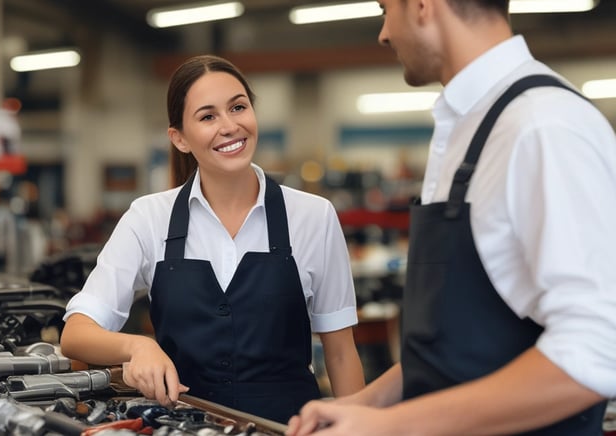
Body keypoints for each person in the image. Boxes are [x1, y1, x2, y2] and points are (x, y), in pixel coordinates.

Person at [287, 0, 616, 434]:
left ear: (424, 6)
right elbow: (463, 347)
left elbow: (595, 351)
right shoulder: (471, 128)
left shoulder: (542, 127)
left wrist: (395, 426)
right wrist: (366, 404)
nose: (384, 33)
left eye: (387, 9)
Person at [60, 54, 365, 424]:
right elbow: (76, 333)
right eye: (207, 116)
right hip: (184, 426)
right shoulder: (149, 218)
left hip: (289, 429)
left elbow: (341, 355)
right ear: (180, 138)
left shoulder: (314, 216)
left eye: (238, 107)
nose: (229, 126)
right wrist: (137, 346)